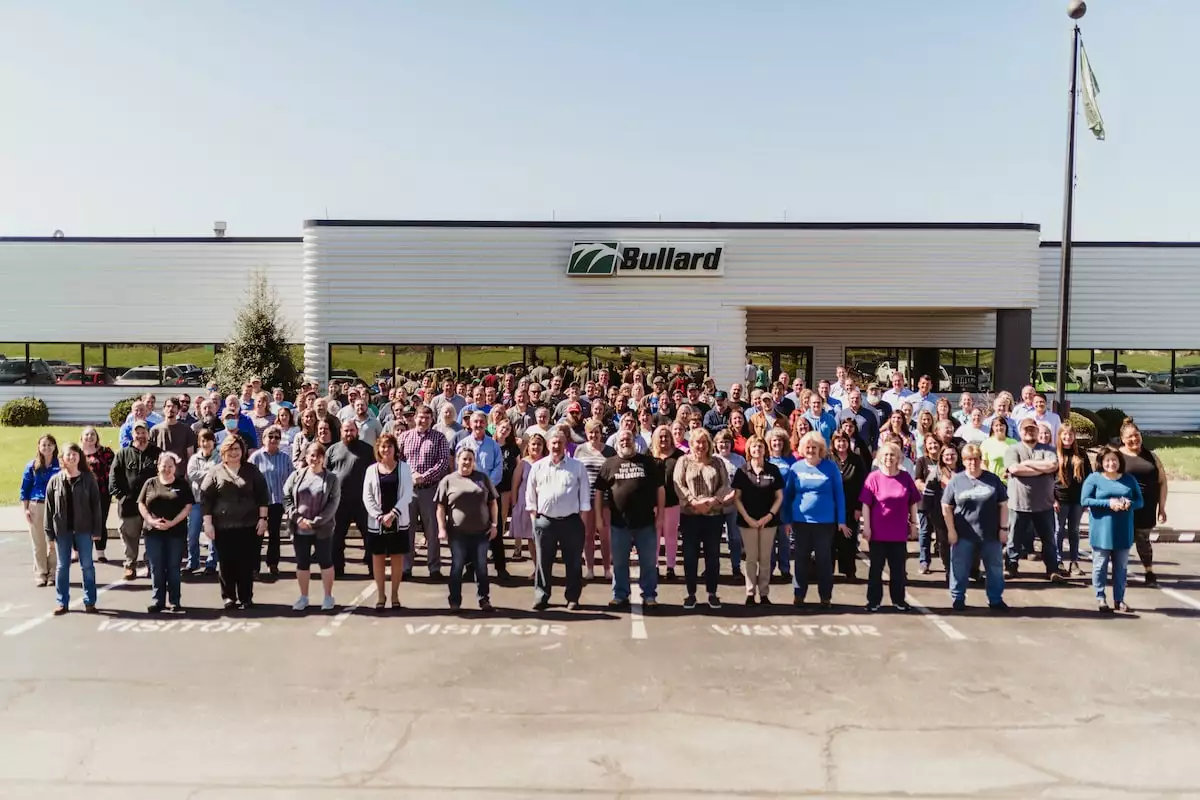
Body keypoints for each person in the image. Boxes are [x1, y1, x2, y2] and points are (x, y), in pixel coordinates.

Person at [593, 428, 664, 610]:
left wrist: (661, 515)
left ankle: (649, 595)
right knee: (620, 562)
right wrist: (599, 517)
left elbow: (660, 489)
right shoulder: (609, 464)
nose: (626, 442)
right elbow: (600, 491)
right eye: (622, 440)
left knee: (648, 562)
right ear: (617, 443)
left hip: (646, 522)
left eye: (629, 439)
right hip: (619, 523)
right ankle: (620, 595)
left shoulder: (647, 462)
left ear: (635, 441)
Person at [200, 435, 270, 610]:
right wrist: (207, 524)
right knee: (226, 563)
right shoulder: (215, 472)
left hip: (248, 526)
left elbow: (263, 496)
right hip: (223, 527)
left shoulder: (252, 471)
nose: (233, 452)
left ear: (243, 451)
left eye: (237, 449)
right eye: (230, 449)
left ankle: (246, 597)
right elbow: (206, 499)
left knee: (246, 563)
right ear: (223, 451)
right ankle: (229, 597)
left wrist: (263, 519)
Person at [780, 431, 848, 609]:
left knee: (824, 560)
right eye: (808, 447)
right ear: (803, 449)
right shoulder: (796, 468)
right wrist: (786, 521)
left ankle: (825, 596)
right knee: (801, 558)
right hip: (800, 521)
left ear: (821, 449)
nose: (811, 450)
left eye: (814, 447)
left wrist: (841, 520)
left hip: (825, 523)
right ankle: (799, 594)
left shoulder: (830, 467)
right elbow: (788, 496)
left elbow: (839, 495)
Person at [525, 430, 591, 611]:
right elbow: (530, 496)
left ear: (565, 444)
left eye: (559, 443)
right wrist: (535, 520)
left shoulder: (577, 467)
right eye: (553, 443)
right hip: (545, 521)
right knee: (543, 562)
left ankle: (572, 598)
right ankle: (541, 596)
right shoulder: (538, 467)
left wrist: (582, 522)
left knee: (573, 562)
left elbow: (584, 497)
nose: (556, 446)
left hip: (571, 521)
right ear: (548, 445)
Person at [941, 443, 1010, 611]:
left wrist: (1003, 529)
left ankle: (995, 599)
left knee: (994, 568)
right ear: (963, 461)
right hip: (963, 534)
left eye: (976, 459)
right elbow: (946, 506)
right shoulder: (956, 481)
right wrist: (951, 530)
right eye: (968, 459)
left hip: (990, 534)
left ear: (981, 460)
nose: (973, 463)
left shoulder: (992, 480)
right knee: (959, 567)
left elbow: (1003, 504)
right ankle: (958, 598)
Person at [673, 428, 734, 610]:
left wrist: (713, 501)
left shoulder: (717, 462)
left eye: (704, 442)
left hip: (713, 516)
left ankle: (712, 593)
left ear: (709, 444)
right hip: (690, 515)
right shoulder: (683, 461)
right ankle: (691, 593)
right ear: (691, 444)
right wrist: (692, 501)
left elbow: (725, 484)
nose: (700, 446)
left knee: (712, 556)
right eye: (697, 442)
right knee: (690, 556)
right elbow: (678, 484)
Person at [436, 448, 499, 612]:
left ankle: (484, 599)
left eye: (470, 459)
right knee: (457, 567)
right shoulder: (448, 480)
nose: (467, 462)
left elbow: (493, 503)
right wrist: (441, 528)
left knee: (481, 567)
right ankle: (455, 601)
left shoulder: (482, 478)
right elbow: (441, 507)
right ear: (458, 460)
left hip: (481, 532)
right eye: (464, 459)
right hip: (457, 533)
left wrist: (494, 525)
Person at [859, 442, 920, 612]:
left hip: (898, 532)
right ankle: (873, 601)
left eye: (892, 455)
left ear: (898, 458)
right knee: (875, 570)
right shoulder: (873, 478)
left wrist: (914, 524)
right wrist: (867, 528)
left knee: (898, 570)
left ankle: (899, 600)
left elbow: (913, 502)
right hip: (878, 532)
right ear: (880, 457)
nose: (888, 458)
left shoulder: (905, 477)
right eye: (885, 454)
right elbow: (866, 505)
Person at [1082, 446, 1144, 613]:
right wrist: (1108, 503)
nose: (1111, 463)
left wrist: (1130, 504)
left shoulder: (1129, 479)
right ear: (1101, 462)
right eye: (1107, 460)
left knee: (1121, 567)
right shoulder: (1094, 479)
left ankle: (1119, 599)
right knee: (1100, 565)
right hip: (1102, 531)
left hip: (1123, 531)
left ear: (1120, 462)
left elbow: (1140, 501)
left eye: (1114, 460)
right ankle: (1100, 597)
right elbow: (1085, 500)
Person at [44, 443, 103, 615]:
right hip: (62, 531)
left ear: (79, 457)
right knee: (63, 567)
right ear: (62, 458)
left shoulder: (88, 479)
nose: (71, 457)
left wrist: (97, 530)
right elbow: (49, 510)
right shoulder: (55, 481)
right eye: (68, 455)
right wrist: (49, 536)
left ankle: (90, 601)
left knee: (87, 566)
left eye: (75, 454)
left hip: (84, 529)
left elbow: (96, 506)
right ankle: (62, 602)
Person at [1004, 417, 1065, 582]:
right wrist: (1040, 468)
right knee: (1013, 540)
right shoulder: (1013, 449)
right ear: (1020, 431)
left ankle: (1052, 570)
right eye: (1026, 429)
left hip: (1044, 504)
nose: (1029, 432)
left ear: (1037, 432)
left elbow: (1052, 466)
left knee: (1048, 540)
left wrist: (1028, 464)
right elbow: (1014, 468)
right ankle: (1011, 567)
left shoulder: (1048, 449)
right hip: (1018, 503)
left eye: (1032, 429)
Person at [363, 433, 413, 610]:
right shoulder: (371, 470)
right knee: (378, 558)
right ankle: (380, 595)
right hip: (377, 523)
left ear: (395, 449)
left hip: (399, 521)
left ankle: (395, 594)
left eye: (389, 446)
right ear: (378, 449)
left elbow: (408, 493)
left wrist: (393, 514)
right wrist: (379, 516)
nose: (386, 450)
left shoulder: (404, 468)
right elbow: (367, 496)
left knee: (397, 557)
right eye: (383, 447)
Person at [137, 452, 192, 613]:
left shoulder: (182, 484)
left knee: (173, 567)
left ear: (175, 468)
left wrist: (172, 523)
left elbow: (188, 506)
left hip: (175, 532)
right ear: (158, 466)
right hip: (153, 532)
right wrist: (150, 520)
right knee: (156, 567)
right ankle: (158, 601)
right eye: (164, 466)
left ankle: (175, 601)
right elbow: (141, 504)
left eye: (170, 466)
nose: (167, 469)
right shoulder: (150, 483)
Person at [733, 435, 784, 605]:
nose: (757, 450)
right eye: (754, 447)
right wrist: (748, 518)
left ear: (765, 449)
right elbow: (737, 498)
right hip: (747, 522)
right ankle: (749, 592)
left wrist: (769, 516)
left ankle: (763, 593)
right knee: (751, 558)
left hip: (768, 522)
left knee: (765, 558)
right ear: (749, 450)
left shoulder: (773, 470)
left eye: (760, 447)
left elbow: (779, 497)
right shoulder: (742, 471)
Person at [1118, 418, 1167, 587]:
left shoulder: (1151, 456)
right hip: (1125, 508)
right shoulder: (1117, 456)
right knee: (1123, 542)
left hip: (1147, 507)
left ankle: (1149, 571)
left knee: (1143, 540)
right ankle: (1119, 572)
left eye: (1136, 435)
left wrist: (1162, 507)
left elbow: (1162, 482)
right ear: (1123, 439)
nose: (1134, 439)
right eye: (1130, 437)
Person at [111, 421, 162, 581]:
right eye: (137, 432)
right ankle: (130, 565)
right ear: (132, 434)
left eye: (143, 432)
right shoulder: (123, 454)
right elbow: (113, 477)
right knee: (129, 536)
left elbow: (166, 475)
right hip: (129, 505)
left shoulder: (158, 453)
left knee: (152, 536)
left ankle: (150, 565)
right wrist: (121, 496)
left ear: (148, 433)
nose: (140, 436)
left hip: (152, 504)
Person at [325, 421, 376, 578]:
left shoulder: (367, 450)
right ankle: (338, 569)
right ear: (341, 431)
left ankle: (373, 569)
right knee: (336, 537)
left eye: (352, 430)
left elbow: (375, 473)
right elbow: (325, 474)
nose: (349, 433)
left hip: (362, 501)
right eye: (346, 430)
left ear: (357, 431)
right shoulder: (332, 450)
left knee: (369, 537)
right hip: (339, 501)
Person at [249, 425, 294, 579]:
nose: (274, 440)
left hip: (277, 502)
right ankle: (254, 567)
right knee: (257, 536)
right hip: (259, 503)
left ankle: (273, 563)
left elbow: (291, 480)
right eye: (270, 436)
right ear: (264, 439)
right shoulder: (255, 457)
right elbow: (248, 480)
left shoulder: (285, 458)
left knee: (274, 534)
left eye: (277, 437)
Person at [574, 420, 616, 581]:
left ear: (601, 433)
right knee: (587, 535)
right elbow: (576, 474)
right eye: (591, 432)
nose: (594, 435)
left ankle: (607, 569)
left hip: (605, 501)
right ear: (586, 433)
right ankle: (589, 569)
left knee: (605, 536)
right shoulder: (580, 450)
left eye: (596, 432)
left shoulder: (610, 451)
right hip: (585, 499)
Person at [21, 434, 62, 587]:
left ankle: (52, 574)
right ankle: (41, 573)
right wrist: (25, 509)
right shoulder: (32, 466)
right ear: (38, 447)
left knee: (53, 541)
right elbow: (24, 490)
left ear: (54, 447)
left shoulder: (60, 465)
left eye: (50, 445)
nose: (46, 448)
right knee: (38, 542)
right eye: (43, 445)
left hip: (56, 506)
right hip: (36, 505)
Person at [1054, 422, 1092, 576]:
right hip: (1060, 498)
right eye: (1064, 434)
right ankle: (1058, 561)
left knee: (1074, 531)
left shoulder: (1081, 454)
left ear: (1074, 436)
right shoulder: (1054, 453)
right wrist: (1052, 499)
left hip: (1077, 499)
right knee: (1058, 530)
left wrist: (1087, 499)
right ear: (1060, 436)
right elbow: (1049, 479)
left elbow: (1089, 478)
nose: (1067, 437)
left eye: (1070, 434)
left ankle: (1074, 562)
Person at [649, 425, 684, 582]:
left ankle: (670, 567)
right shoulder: (648, 455)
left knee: (671, 535)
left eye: (666, 436)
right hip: (653, 504)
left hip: (673, 503)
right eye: (660, 437)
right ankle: (654, 566)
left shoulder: (679, 456)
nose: (663, 439)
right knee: (654, 536)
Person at [830, 431, 867, 581]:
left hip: (851, 507)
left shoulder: (856, 460)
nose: (841, 444)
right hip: (831, 508)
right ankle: (829, 572)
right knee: (831, 541)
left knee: (849, 541)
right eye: (838, 441)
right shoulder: (828, 459)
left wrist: (859, 507)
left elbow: (863, 485)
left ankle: (849, 572)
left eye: (843, 440)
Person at [186, 429, 220, 575]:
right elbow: (192, 474)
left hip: (213, 503)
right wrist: (209, 473)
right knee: (192, 534)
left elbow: (218, 474)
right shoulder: (194, 458)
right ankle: (193, 562)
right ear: (199, 443)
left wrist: (206, 475)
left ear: (214, 442)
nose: (206, 443)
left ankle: (211, 563)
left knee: (212, 535)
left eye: (208, 440)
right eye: (203, 440)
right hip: (196, 501)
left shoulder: (219, 457)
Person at [80, 427, 115, 564]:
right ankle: (77, 552)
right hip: (80, 494)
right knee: (80, 523)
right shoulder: (76, 453)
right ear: (82, 437)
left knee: (100, 522)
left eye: (92, 434)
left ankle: (100, 552)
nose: (90, 437)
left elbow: (114, 471)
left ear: (97, 437)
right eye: (86, 434)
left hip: (102, 493)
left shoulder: (106, 452)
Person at [509, 432, 546, 562]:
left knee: (543, 539)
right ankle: (537, 568)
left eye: (539, 444)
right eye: (533, 444)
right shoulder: (523, 463)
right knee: (531, 537)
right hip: (526, 505)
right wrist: (514, 504)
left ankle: (543, 568)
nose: (536, 447)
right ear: (528, 446)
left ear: (543, 446)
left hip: (543, 504)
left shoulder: (547, 462)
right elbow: (515, 484)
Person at [765, 429, 796, 581]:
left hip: (785, 506)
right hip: (769, 506)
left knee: (784, 540)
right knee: (769, 540)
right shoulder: (766, 461)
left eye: (780, 441)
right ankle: (769, 569)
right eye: (774, 441)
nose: (777, 443)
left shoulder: (791, 460)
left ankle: (785, 569)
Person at [714, 430, 745, 578]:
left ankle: (736, 567)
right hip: (715, 505)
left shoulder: (739, 460)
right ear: (716, 444)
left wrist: (733, 496)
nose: (724, 445)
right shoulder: (712, 459)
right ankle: (712, 568)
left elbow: (744, 483)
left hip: (734, 504)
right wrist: (717, 500)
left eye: (726, 442)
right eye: (721, 442)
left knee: (735, 537)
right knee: (713, 538)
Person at [151, 397, 197, 465]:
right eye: (168, 406)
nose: (170, 409)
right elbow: (151, 455)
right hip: (161, 472)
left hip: (181, 473)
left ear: (178, 410)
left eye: (173, 407)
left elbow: (190, 454)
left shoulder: (187, 430)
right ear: (164, 409)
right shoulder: (155, 430)